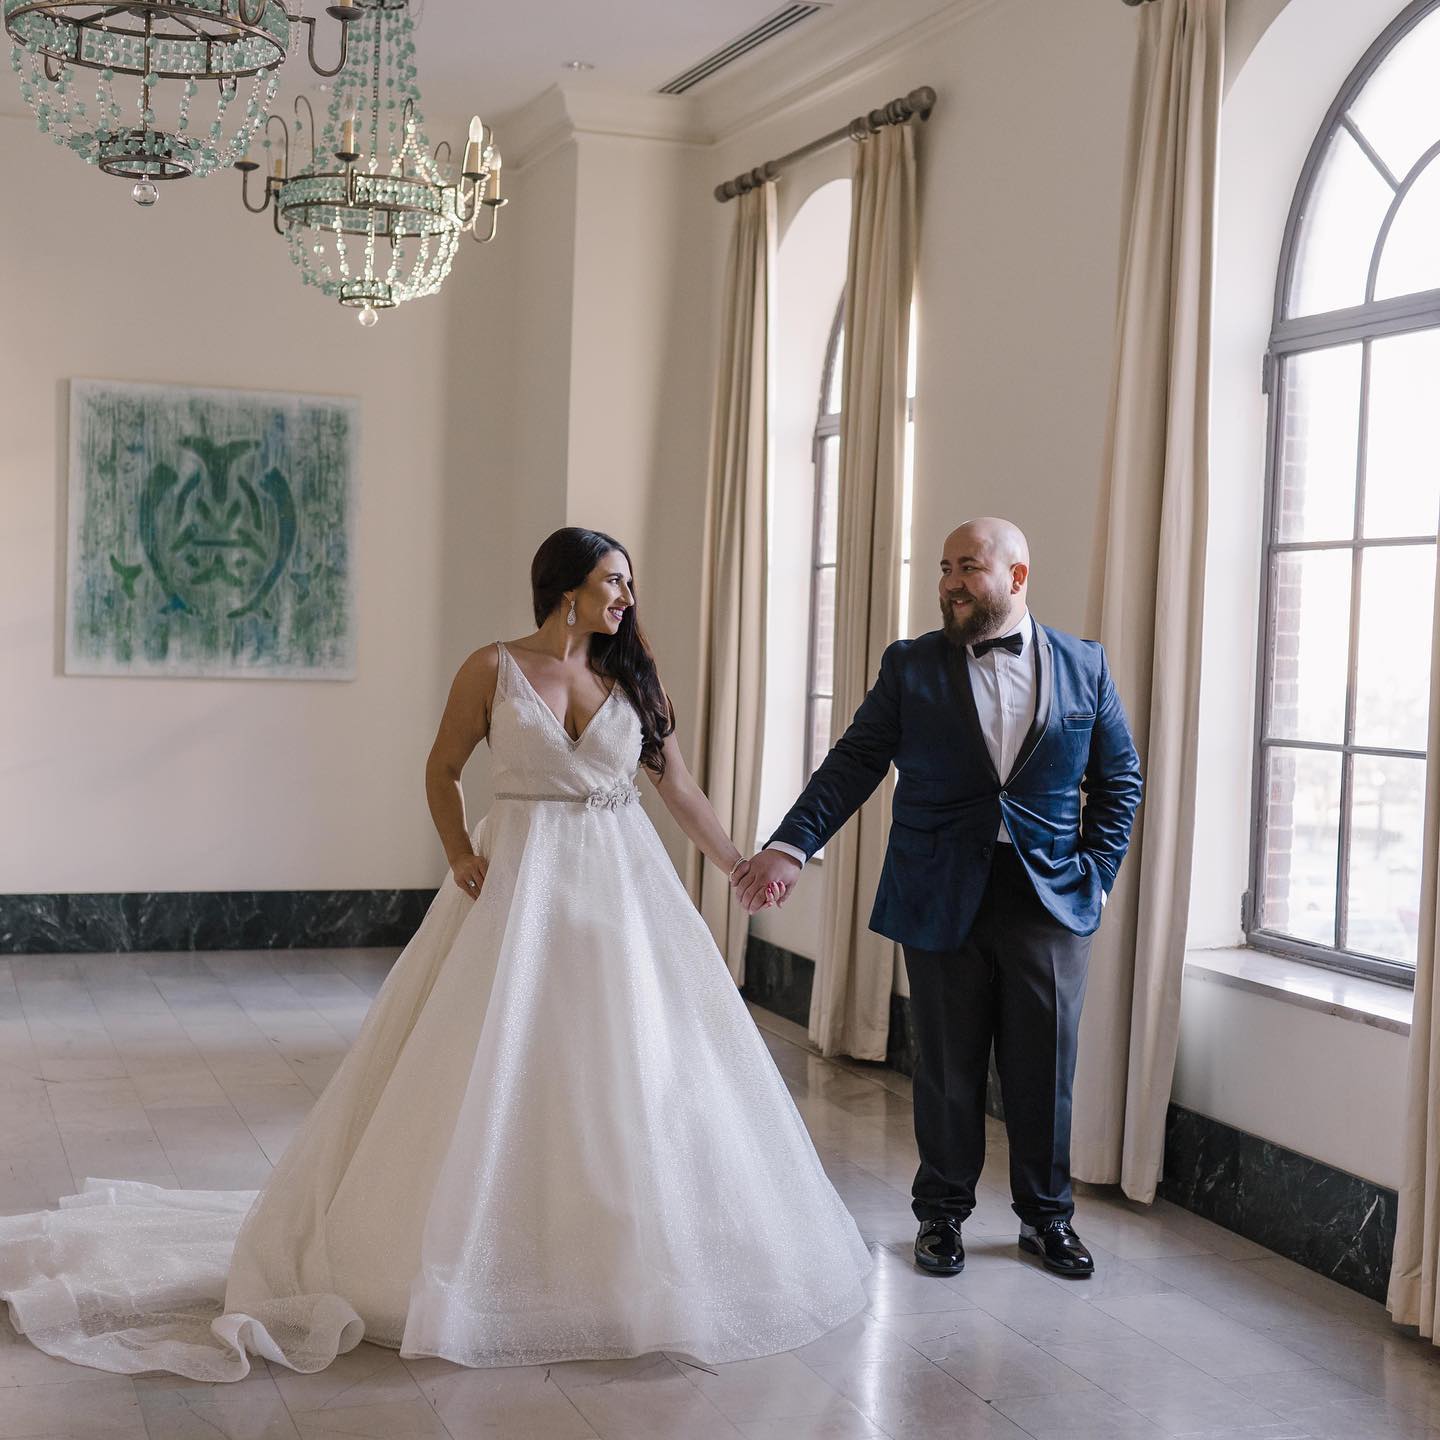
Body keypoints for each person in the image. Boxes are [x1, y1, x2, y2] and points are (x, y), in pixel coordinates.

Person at [0, 526, 871, 1380]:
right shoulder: (492, 668)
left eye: (629, 583)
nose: (627, 597)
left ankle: (618, 1241)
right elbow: (442, 766)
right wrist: (457, 851)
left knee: (629, 1061)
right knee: (492, 1054)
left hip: (621, 890)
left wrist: (736, 864)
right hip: (518, 886)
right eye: (614, 581)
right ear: (566, 588)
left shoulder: (631, 674)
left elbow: (676, 786)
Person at [735, 518, 1142, 1280]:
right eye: (944, 568)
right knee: (948, 1066)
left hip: (1048, 900)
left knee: (1045, 1068)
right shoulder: (911, 666)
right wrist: (789, 845)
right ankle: (942, 1216)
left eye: (968, 568)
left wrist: (1094, 873)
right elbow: (853, 762)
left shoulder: (1085, 666)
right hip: (939, 891)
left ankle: (1047, 1219)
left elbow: (1120, 782)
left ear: (1016, 577)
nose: (950, 583)